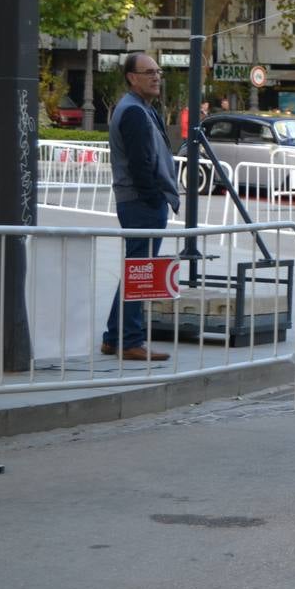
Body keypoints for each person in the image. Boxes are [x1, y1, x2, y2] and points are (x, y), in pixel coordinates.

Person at [101, 53, 179, 361]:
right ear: (132, 77)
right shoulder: (133, 112)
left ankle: (113, 337)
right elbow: (139, 163)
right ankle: (131, 341)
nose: (156, 77)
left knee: (135, 269)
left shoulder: (141, 108)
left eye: (158, 72)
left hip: (140, 201)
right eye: (148, 72)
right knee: (140, 272)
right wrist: (152, 197)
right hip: (140, 202)